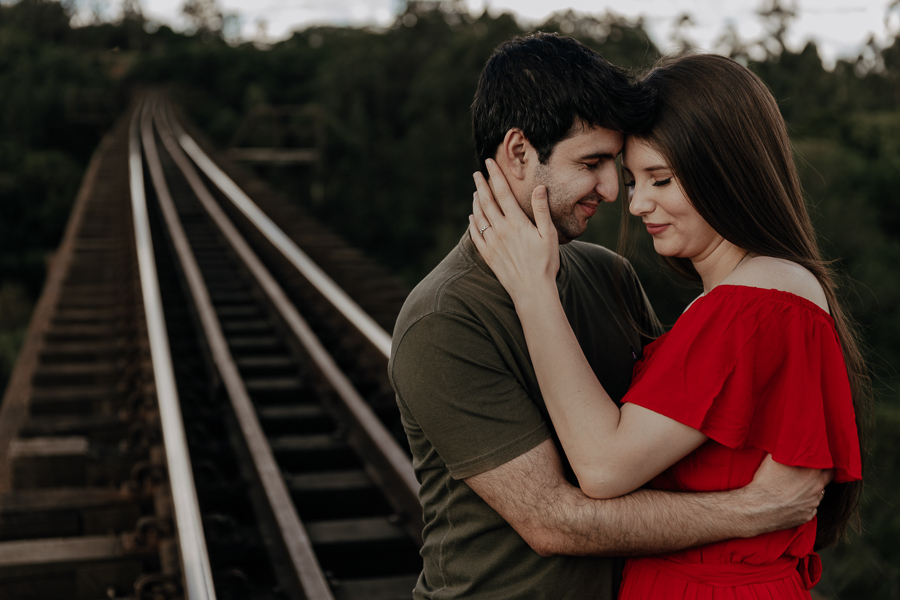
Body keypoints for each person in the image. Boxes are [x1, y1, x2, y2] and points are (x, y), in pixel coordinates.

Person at [389, 34, 830, 600]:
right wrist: (753, 511)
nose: (614, 192)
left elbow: (678, 439)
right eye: (593, 163)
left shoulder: (608, 275)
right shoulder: (445, 318)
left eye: (619, 168)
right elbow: (552, 519)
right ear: (520, 153)